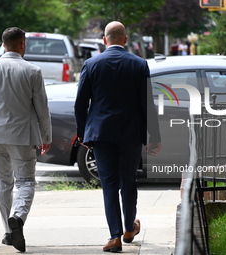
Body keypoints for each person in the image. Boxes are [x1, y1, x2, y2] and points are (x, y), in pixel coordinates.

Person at [74, 21, 161, 252]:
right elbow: (147, 103)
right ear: (125, 39)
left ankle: (114, 237)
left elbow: (81, 103)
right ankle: (129, 228)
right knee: (129, 182)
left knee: (109, 185)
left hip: (101, 134)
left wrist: (83, 133)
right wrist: (155, 135)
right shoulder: (139, 64)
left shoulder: (91, 64)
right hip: (131, 133)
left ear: (105, 40)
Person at [0, 27, 52, 253]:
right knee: (25, 181)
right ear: (23, 44)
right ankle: (18, 217)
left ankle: (8, 231)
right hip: (23, 136)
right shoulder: (33, 71)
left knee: (3, 182)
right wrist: (46, 136)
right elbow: (42, 109)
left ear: (3, 44)